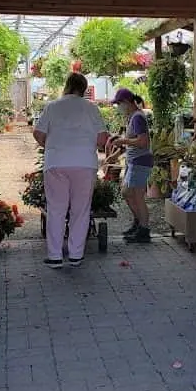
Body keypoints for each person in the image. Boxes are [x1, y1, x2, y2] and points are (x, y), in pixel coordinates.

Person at [33, 73, 110, 267]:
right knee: (81, 210)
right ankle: (76, 254)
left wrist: (49, 145)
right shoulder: (92, 108)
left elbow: (38, 133)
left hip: (56, 162)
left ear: (67, 85)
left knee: (56, 210)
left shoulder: (52, 106)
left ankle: (55, 256)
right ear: (83, 88)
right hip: (84, 163)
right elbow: (102, 139)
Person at [110, 89, 152, 243]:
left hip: (141, 161)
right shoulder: (132, 117)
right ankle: (139, 223)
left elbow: (142, 142)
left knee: (137, 196)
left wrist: (123, 141)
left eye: (119, 104)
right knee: (127, 193)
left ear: (127, 102)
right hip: (134, 161)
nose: (118, 107)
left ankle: (144, 229)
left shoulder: (138, 118)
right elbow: (132, 141)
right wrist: (116, 154)